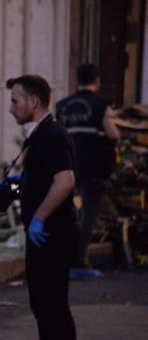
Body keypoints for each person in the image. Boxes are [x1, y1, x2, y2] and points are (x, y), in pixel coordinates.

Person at [5, 75, 86, 340]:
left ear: (34, 102)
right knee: (42, 303)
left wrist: (38, 218)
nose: (11, 108)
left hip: (53, 235)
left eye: (15, 100)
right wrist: (12, 187)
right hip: (42, 237)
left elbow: (64, 182)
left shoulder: (52, 135)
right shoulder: (39, 136)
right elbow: (40, 180)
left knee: (54, 305)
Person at [55, 64, 120, 276]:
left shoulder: (62, 106)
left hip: (68, 167)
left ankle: (65, 255)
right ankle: (78, 260)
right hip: (95, 168)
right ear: (97, 81)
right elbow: (113, 136)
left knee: (73, 214)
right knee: (89, 217)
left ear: (77, 81)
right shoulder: (102, 106)